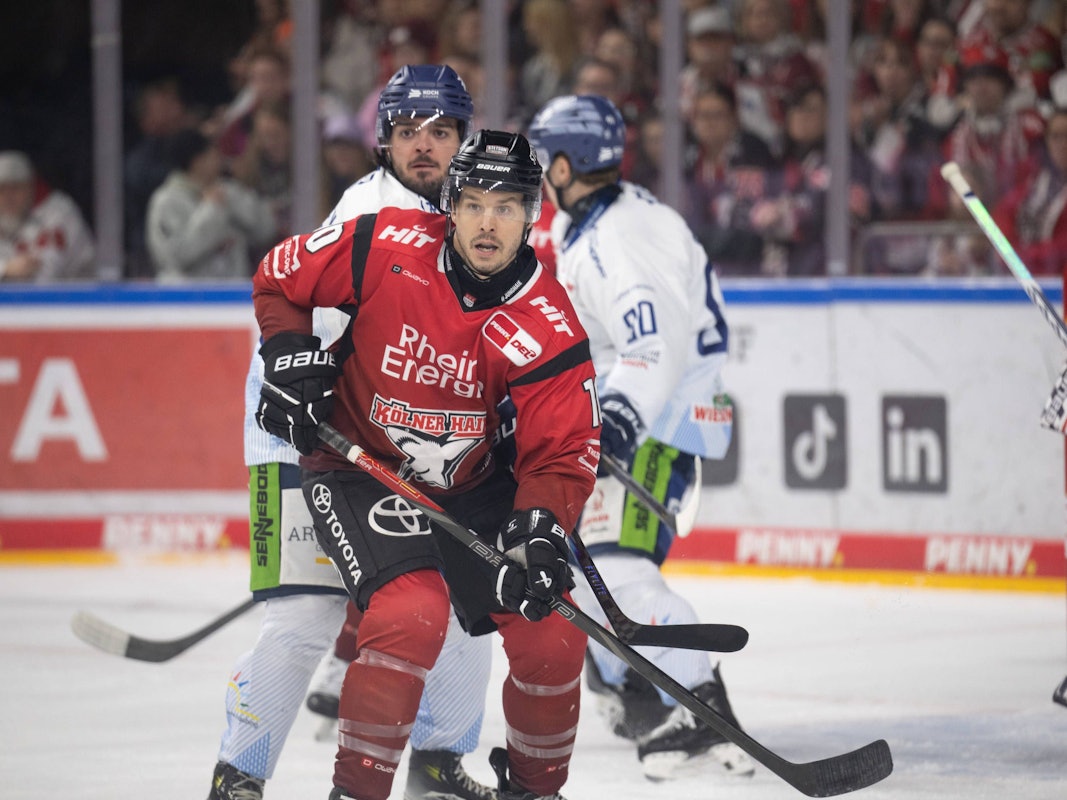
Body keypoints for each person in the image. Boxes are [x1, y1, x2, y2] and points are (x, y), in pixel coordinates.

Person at [251, 127, 599, 800]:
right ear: (449, 205)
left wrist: (538, 527)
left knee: (552, 630)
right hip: (357, 465)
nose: (487, 223)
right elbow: (278, 280)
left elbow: (560, 451)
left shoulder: (548, 321)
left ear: (531, 215)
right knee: (411, 613)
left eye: (505, 207)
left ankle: (532, 791)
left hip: (467, 484)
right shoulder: (383, 244)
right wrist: (289, 356)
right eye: (472, 204)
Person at [207, 65, 501, 800]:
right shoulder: (368, 216)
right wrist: (293, 368)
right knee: (304, 616)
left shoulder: (470, 218)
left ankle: (437, 765)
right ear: (384, 142)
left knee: (469, 601)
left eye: (440, 131)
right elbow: (297, 319)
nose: (424, 146)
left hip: (410, 442)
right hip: (303, 438)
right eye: (408, 133)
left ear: (463, 137)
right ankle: (238, 775)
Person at [526, 94, 753, 781]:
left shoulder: (619, 235)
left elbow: (654, 345)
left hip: (653, 424)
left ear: (565, 164)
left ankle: (697, 703)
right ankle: (630, 686)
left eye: (542, 158)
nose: (537, 171)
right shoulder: (599, 221)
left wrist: (617, 426)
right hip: (641, 417)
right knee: (577, 571)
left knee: (616, 568)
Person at [145, 127, 276, 282]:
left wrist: (238, 203)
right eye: (213, 154)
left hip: (235, 296)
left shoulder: (228, 192)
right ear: (197, 161)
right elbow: (175, 257)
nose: (220, 159)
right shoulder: (166, 201)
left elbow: (267, 231)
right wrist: (211, 211)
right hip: (184, 299)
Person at [0, 150, 96, 282]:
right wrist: (5, 269)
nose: (8, 197)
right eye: (2, 189)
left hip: (77, 297)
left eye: (15, 188)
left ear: (30, 187)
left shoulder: (58, 211)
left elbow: (46, 274)